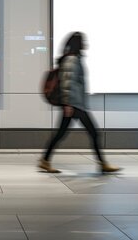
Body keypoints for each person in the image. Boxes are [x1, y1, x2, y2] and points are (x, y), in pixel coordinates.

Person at [39, 32, 120, 174]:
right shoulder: (71, 60)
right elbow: (67, 83)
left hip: (76, 104)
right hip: (74, 105)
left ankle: (45, 160)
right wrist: (68, 104)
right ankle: (102, 164)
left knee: (62, 133)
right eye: (83, 41)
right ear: (78, 44)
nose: (86, 44)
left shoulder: (73, 59)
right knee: (93, 133)